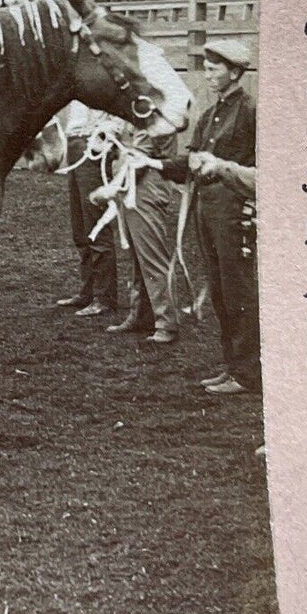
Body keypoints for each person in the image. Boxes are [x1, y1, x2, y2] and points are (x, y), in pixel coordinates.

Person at [163, 39, 259, 394]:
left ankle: (247, 372)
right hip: (208, 212)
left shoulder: (249, 110)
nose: (208, 74)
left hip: (235, 214)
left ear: (235, 72)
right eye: (206, 68)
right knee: (220, 291)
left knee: (238, 292)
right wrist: (154, 164)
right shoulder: (210, 114)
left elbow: (258, 166)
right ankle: (232, 366)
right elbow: (190, 160)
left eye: (214, 68)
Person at [99, 123, 183, 345]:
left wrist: (111, 188)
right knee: (137, 258)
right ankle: (141, 315)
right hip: (133, 189)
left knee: (153, 259)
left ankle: (166, 322)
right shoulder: (140, 114)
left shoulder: (155, 116)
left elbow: (138, 158)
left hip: (146, 191)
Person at [51, 103, 119, 318]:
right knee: (80, 227)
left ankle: (104, 297)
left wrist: (104, 140)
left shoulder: (106, 76)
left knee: (95, 224)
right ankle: (88, 291)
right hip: (75, 145)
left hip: (93, 148)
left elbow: (119, 116)